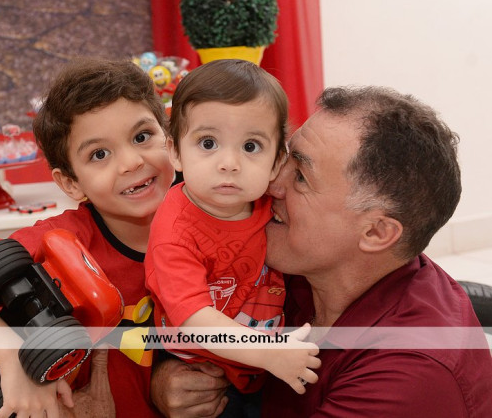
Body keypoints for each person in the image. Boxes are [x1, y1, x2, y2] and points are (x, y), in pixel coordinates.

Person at [151, 85, 492, 417]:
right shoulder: (297, 261)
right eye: (282, 157)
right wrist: (165, 378)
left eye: (300, 176)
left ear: (376, 232)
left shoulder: (405, 379)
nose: (270, 182)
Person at [0, 58, 176, 418]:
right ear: (70, 183)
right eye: (99, 154)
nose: (131, 162)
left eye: (142, 137)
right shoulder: (65, 240)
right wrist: (13, 358)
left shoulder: (216, 216)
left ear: (169, 138)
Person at [144, 59, 320, 417]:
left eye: (251, 146)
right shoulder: (175, 232)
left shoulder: (266, 201)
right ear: (175, 152)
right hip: (205, 371)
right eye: (208, 142)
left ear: (276, 162)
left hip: (262, 360)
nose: (229, 163)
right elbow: (194, 319)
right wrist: (269, 353)